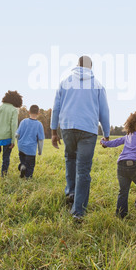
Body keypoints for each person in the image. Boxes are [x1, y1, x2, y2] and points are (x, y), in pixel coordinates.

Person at [50, 55, 110, 222]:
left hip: (67, 127)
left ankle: (71, 192)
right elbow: (104, 112)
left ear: (77, 65)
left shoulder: (65, 82)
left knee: (70, 158)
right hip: (88, 129)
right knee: (83, 169)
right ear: (91, 67)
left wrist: (54, 132)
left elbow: (56, 108)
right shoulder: (97, 85)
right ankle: (78, 212)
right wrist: (106, 133)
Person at [16, 105, 45, 179]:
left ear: (29, 112)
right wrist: (40, 151)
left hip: (21, 148)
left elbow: (17, 135)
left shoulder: (23, 121)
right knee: (30, 166)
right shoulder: (39, 124)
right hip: (30, 150)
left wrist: (18, 144)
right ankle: (28, 178)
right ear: (38, 113)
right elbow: (40, 140)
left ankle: (22, 166)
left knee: (24, 162)